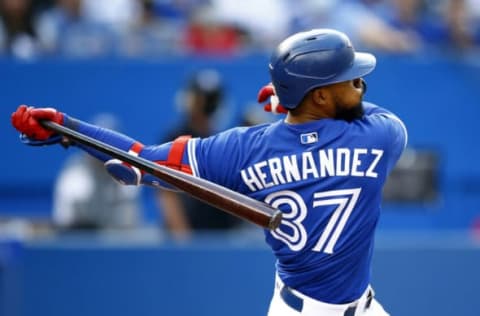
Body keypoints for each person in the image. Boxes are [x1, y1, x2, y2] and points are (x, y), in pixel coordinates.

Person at [11, 29, 407, 315]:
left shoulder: (243, 148)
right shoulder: (379, 135)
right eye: (348, 79)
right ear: (320, 95)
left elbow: (138, 161)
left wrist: (72, 128)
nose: (360, 85)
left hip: (335, 305)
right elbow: (369, 115)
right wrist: (290, 104)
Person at [156, 69, 242, 238]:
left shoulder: (222, 140)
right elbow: (166, 193)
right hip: (188, 236)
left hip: (221, 235)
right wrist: (183, 238)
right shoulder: (176, 139)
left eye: (207, 100)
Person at [53, 113, 142, 231]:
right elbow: (65, 224)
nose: (104, 152)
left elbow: (130, 225)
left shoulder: (130, 175)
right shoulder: (74, 177)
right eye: (98, 145)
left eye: (111, 146)